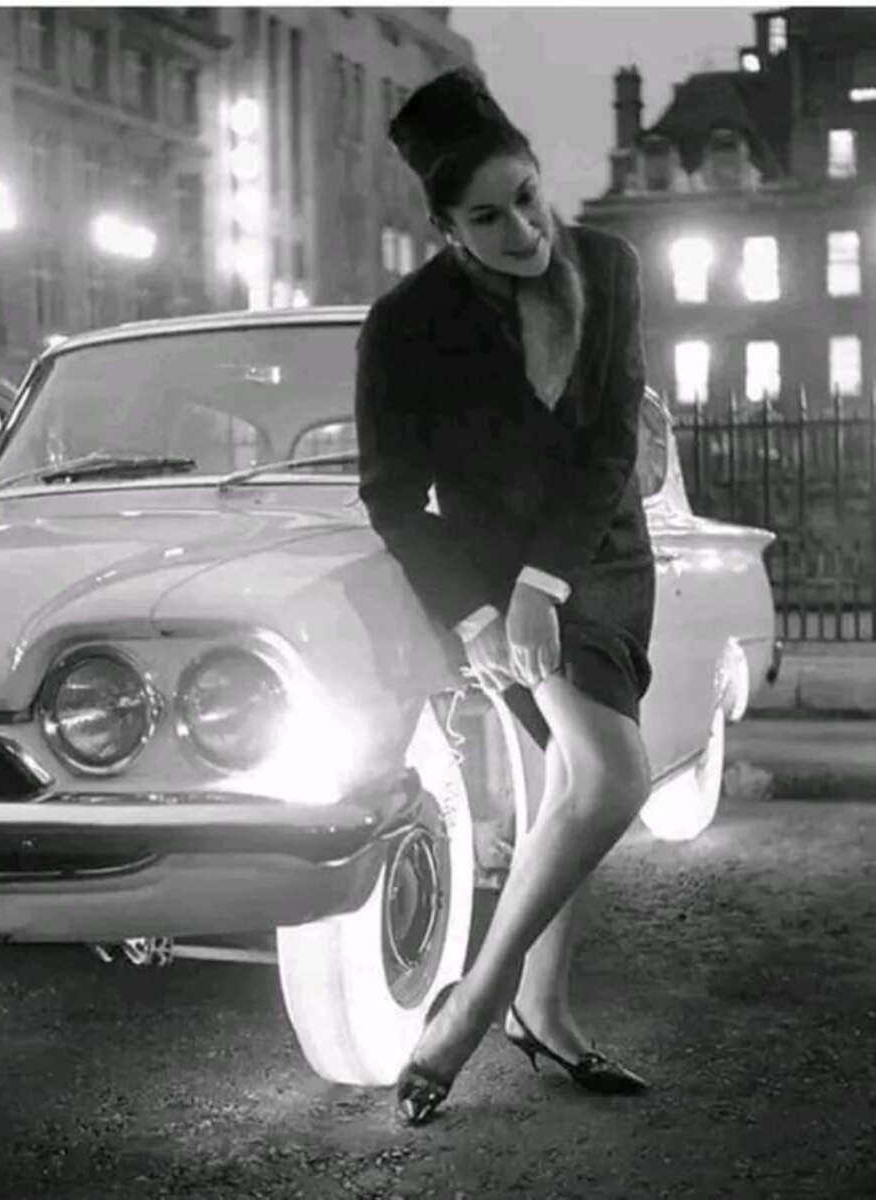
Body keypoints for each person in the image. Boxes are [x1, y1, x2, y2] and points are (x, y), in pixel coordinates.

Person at [354, 67, 656, 1125]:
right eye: (487, 215)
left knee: (566, 796)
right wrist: (481, 610)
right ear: (445, 227)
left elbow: (610, 443)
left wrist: (544, 582)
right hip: (491, 577)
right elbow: (390, 497)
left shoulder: (608, 267)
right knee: (610, 777)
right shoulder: (402, 325)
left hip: (598, 555)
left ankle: (540, 1008)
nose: (523, 227)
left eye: (527, 194)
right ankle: (480, 1009)